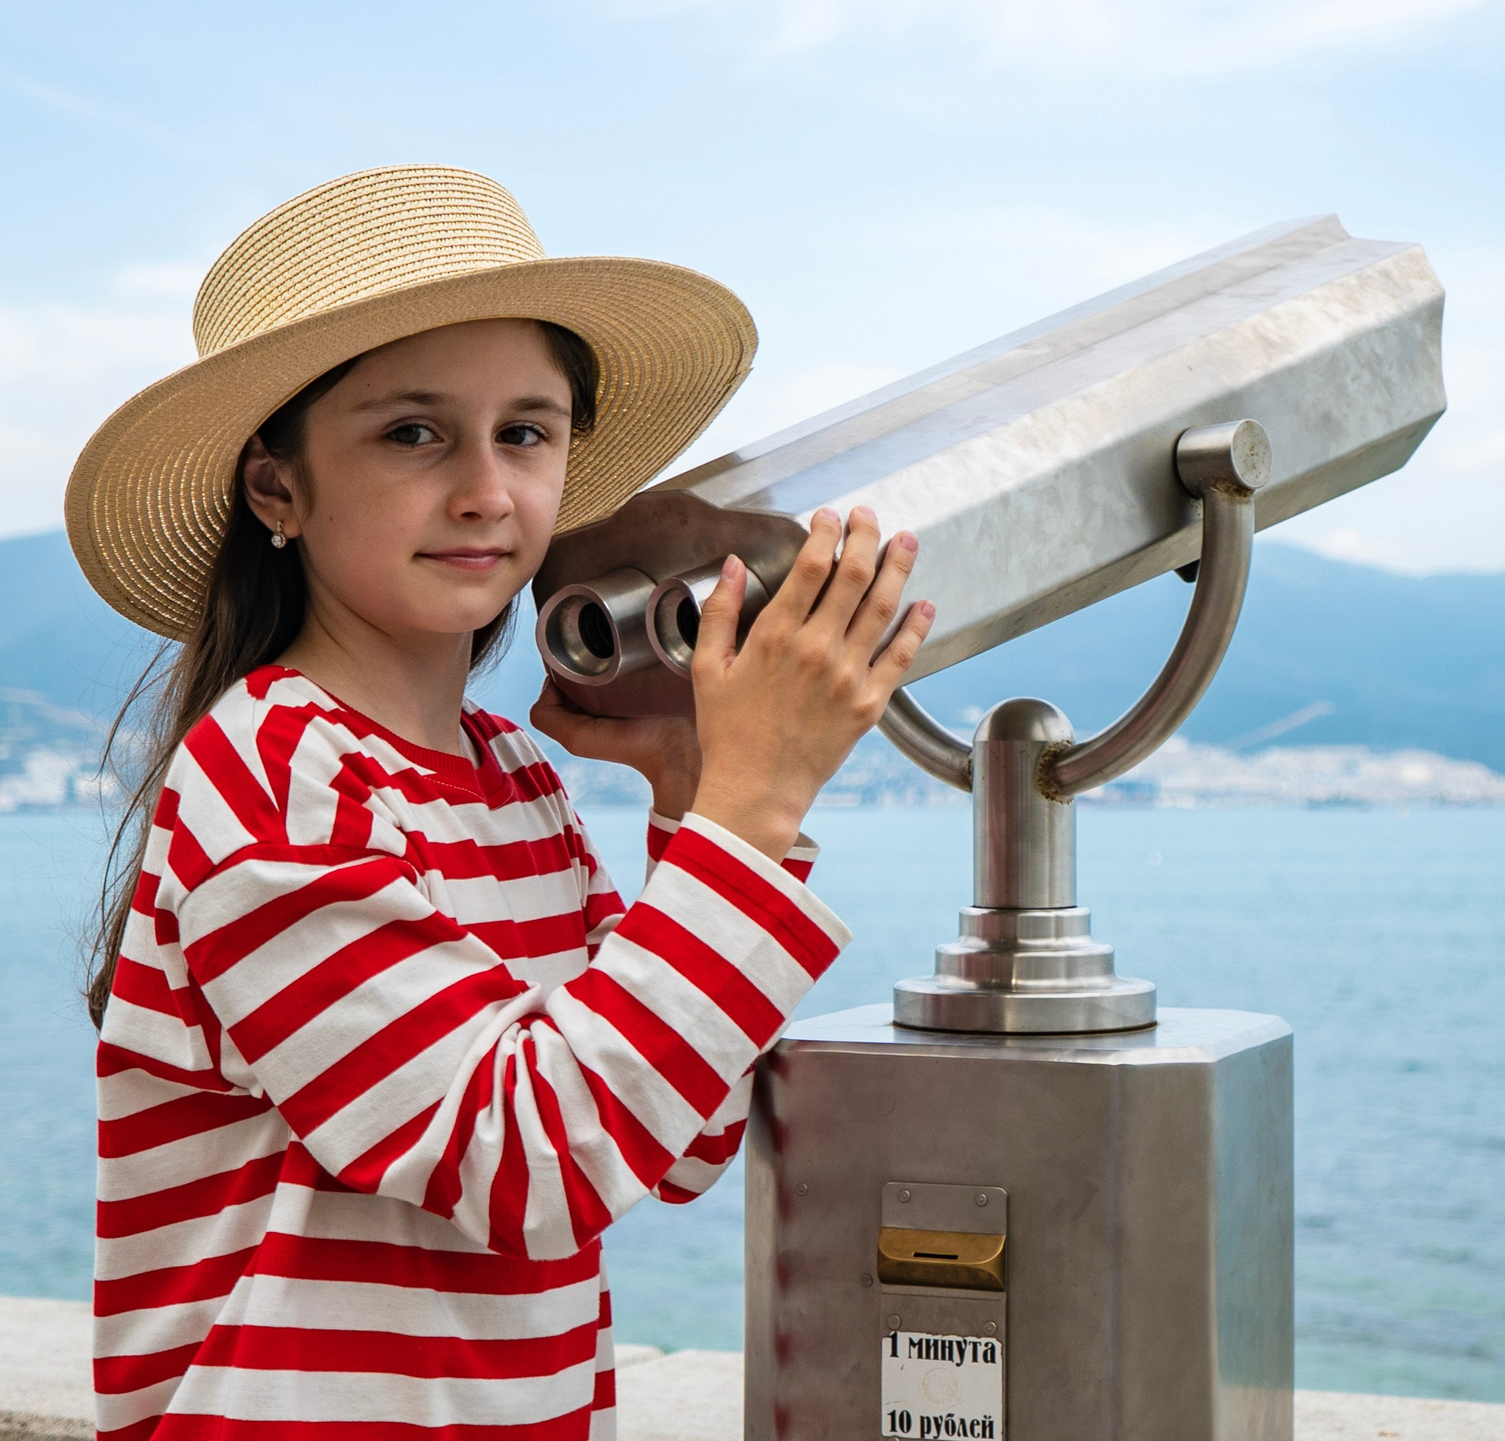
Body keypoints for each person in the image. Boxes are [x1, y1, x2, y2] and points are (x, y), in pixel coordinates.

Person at [67, 165, 933, 1441]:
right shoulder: (276, 772)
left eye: (525, 432)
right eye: (414, 433)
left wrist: (699, 801)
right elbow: (527, 1164)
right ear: (276, 489)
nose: (485, 488)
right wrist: (754, 805)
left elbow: (670, 1141)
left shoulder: (515, 779)